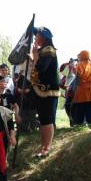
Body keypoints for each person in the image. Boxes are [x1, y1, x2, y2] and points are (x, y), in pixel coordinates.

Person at [31, 26, 60, 158]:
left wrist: (35, 56)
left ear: (43, 37)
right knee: (43, 119)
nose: (35, 37)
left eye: (37, 35)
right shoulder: (42, 50)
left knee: (47, 119)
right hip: (41, 89)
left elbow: (41, 68)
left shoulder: (48, 50)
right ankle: (44, 146)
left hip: (48, 90)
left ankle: (47, 147)